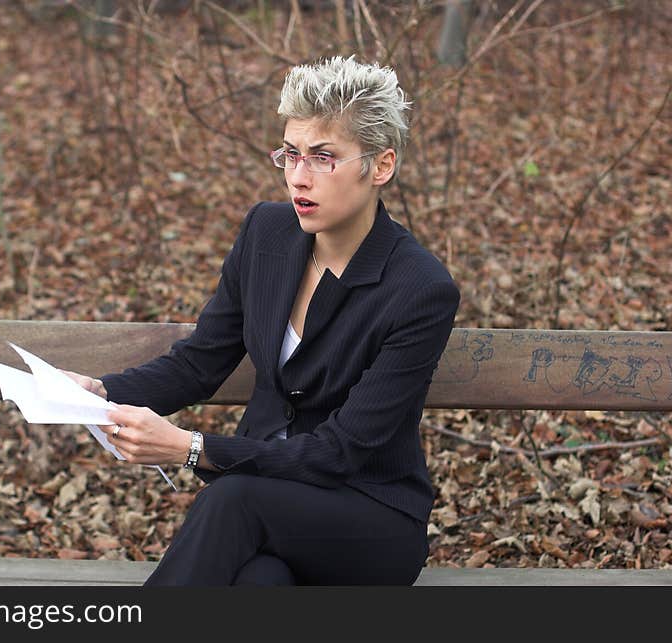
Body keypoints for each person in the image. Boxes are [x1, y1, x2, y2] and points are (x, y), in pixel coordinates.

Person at [63, 55, 460, 585]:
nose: (299, 177)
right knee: (260, 584)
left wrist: (191, 449)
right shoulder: (266, 235)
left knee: (233, 501)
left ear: (380, 166)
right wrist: (100, 392)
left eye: (324, 158)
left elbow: (339, 453)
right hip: (270, 505)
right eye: (291, 155)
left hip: (367, 517)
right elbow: (200, 364)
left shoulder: (419, 289)